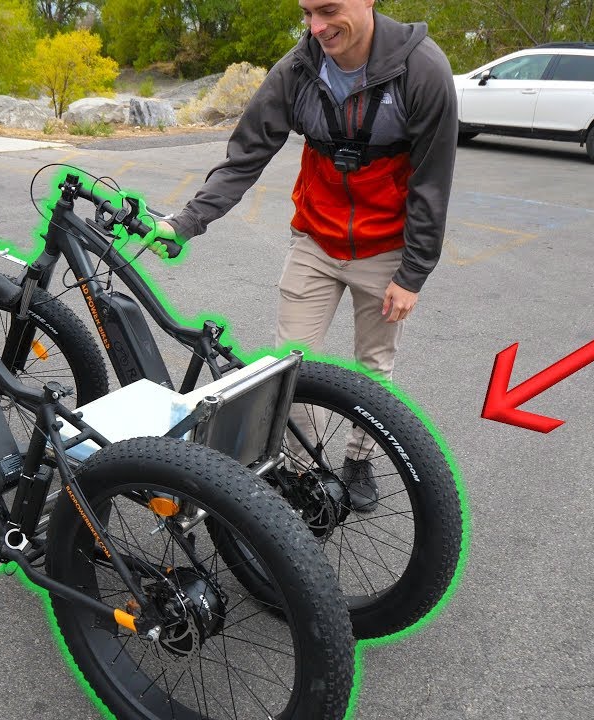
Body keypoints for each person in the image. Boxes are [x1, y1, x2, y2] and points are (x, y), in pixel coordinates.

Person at [152, 0, 458, 511]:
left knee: (373, 367)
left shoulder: (421, 70)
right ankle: (302, 473)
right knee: (288, 368)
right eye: (307, 13)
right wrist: (186, 222)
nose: (316, 28)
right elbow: (244, 157)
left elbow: (432, 183)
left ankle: (359, 459)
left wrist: (413, 273)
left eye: (329, 10)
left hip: (386, 249)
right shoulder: (297, 70)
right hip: (315, 240)